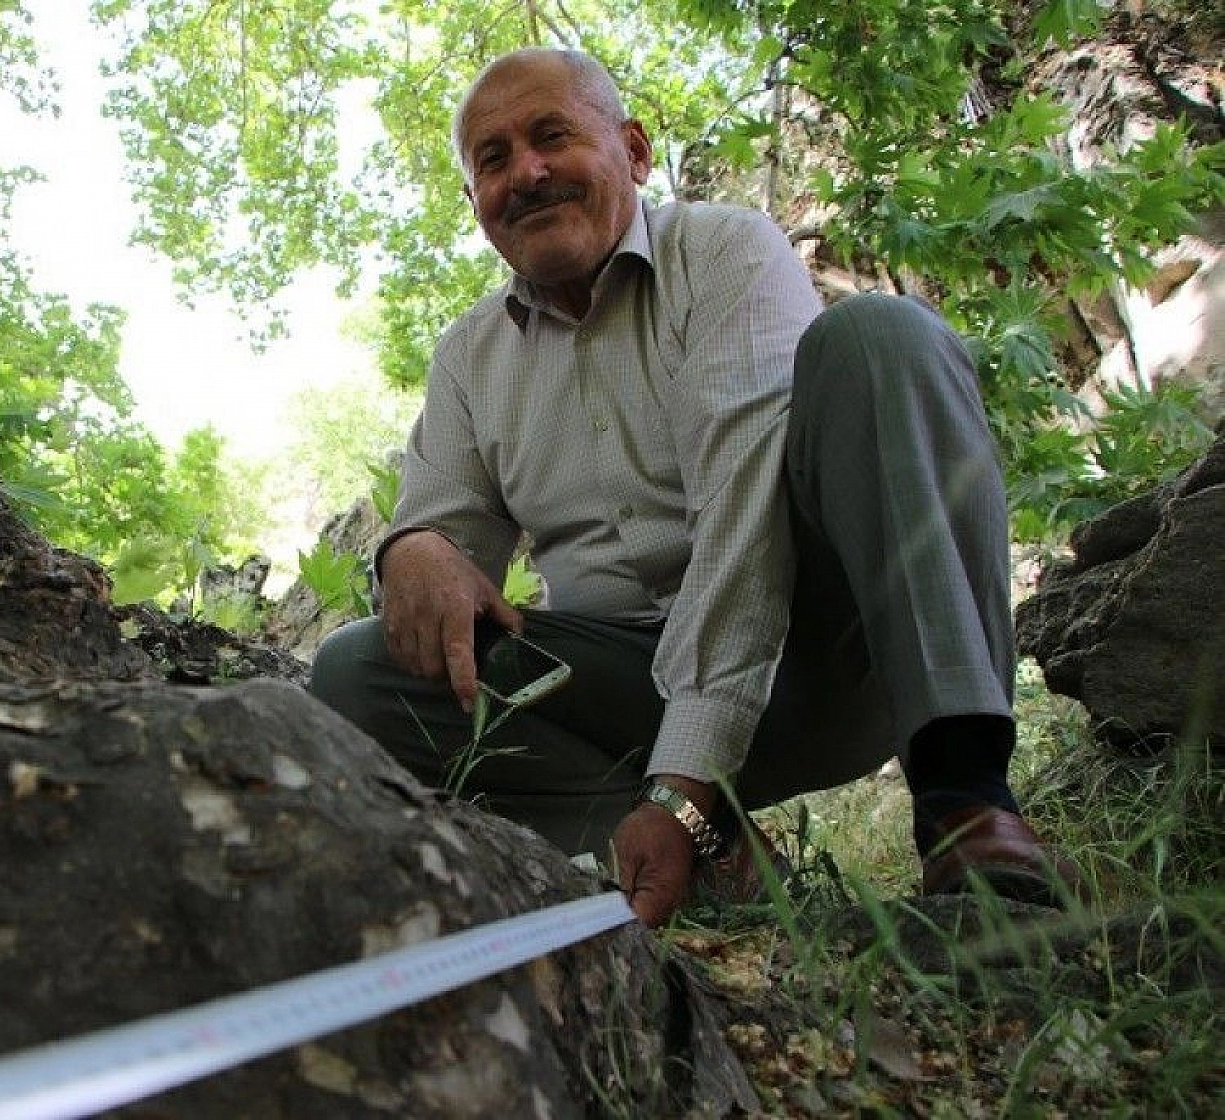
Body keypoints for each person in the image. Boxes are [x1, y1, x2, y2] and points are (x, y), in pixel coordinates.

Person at [307, 47, 1081, 928]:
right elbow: (439, 528)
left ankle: (965, 802)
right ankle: (700, 860)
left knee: (880, 337)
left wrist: (684, 785)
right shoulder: (467, 356)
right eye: (492, 159)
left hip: (817, 659)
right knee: (353, 670)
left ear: (634, 152)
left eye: (552, 136)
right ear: (475, 204)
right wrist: (416, 550)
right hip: (620, 693)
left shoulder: (726, 251)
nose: (526, 172)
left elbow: (745, 521)